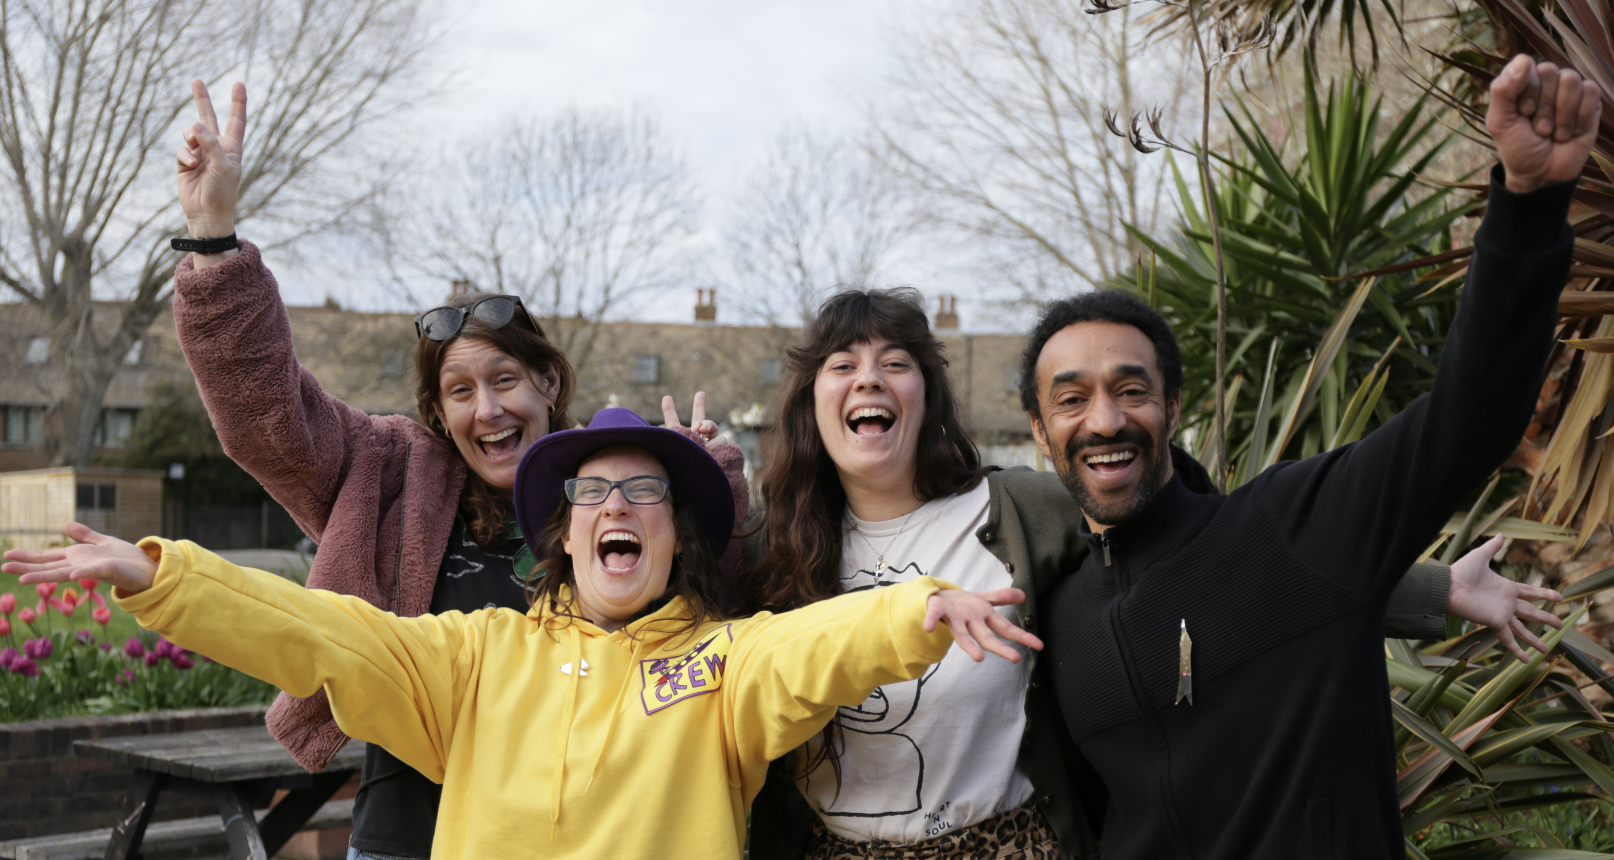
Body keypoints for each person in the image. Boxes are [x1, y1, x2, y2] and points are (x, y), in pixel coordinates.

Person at [2, 408, 1042, 858]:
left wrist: (916, 609)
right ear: (565, 530)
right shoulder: (475, 654)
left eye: (645, 491)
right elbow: (320, 630)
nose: (617, 507)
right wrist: (163, 574)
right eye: (593, 493)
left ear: (677, 537)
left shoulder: (724, 662)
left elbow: (811, 644)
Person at [1012, 54, 1592, 859]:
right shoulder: (1054, 618)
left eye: (1131, 390)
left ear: (1173, 407)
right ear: (1041, 431)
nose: (1104, 419)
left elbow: (1471, 416)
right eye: (1071, 400)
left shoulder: (1290, 528)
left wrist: (1529, 208)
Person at [739, 290, 1556, 860]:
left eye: (895, 362)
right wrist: (697, 493)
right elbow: (683, 638)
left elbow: (1214, 567)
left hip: (1007, 844)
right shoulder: (768, 548)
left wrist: (1431, 589)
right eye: (842, 365)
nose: (870, 379)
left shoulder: (1019, 507)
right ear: (811, 400)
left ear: (929, 394)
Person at [167, 80, 747, 859]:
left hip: (584, 837)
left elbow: (726, 638)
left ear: (549, 382)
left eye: (505, 380)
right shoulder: (391, 475)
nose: (487, 410)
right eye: (460, 392)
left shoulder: (622, 491)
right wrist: (213, 237)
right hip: (405, 832)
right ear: (439, 415)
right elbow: (266, 417)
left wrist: (703, 484)